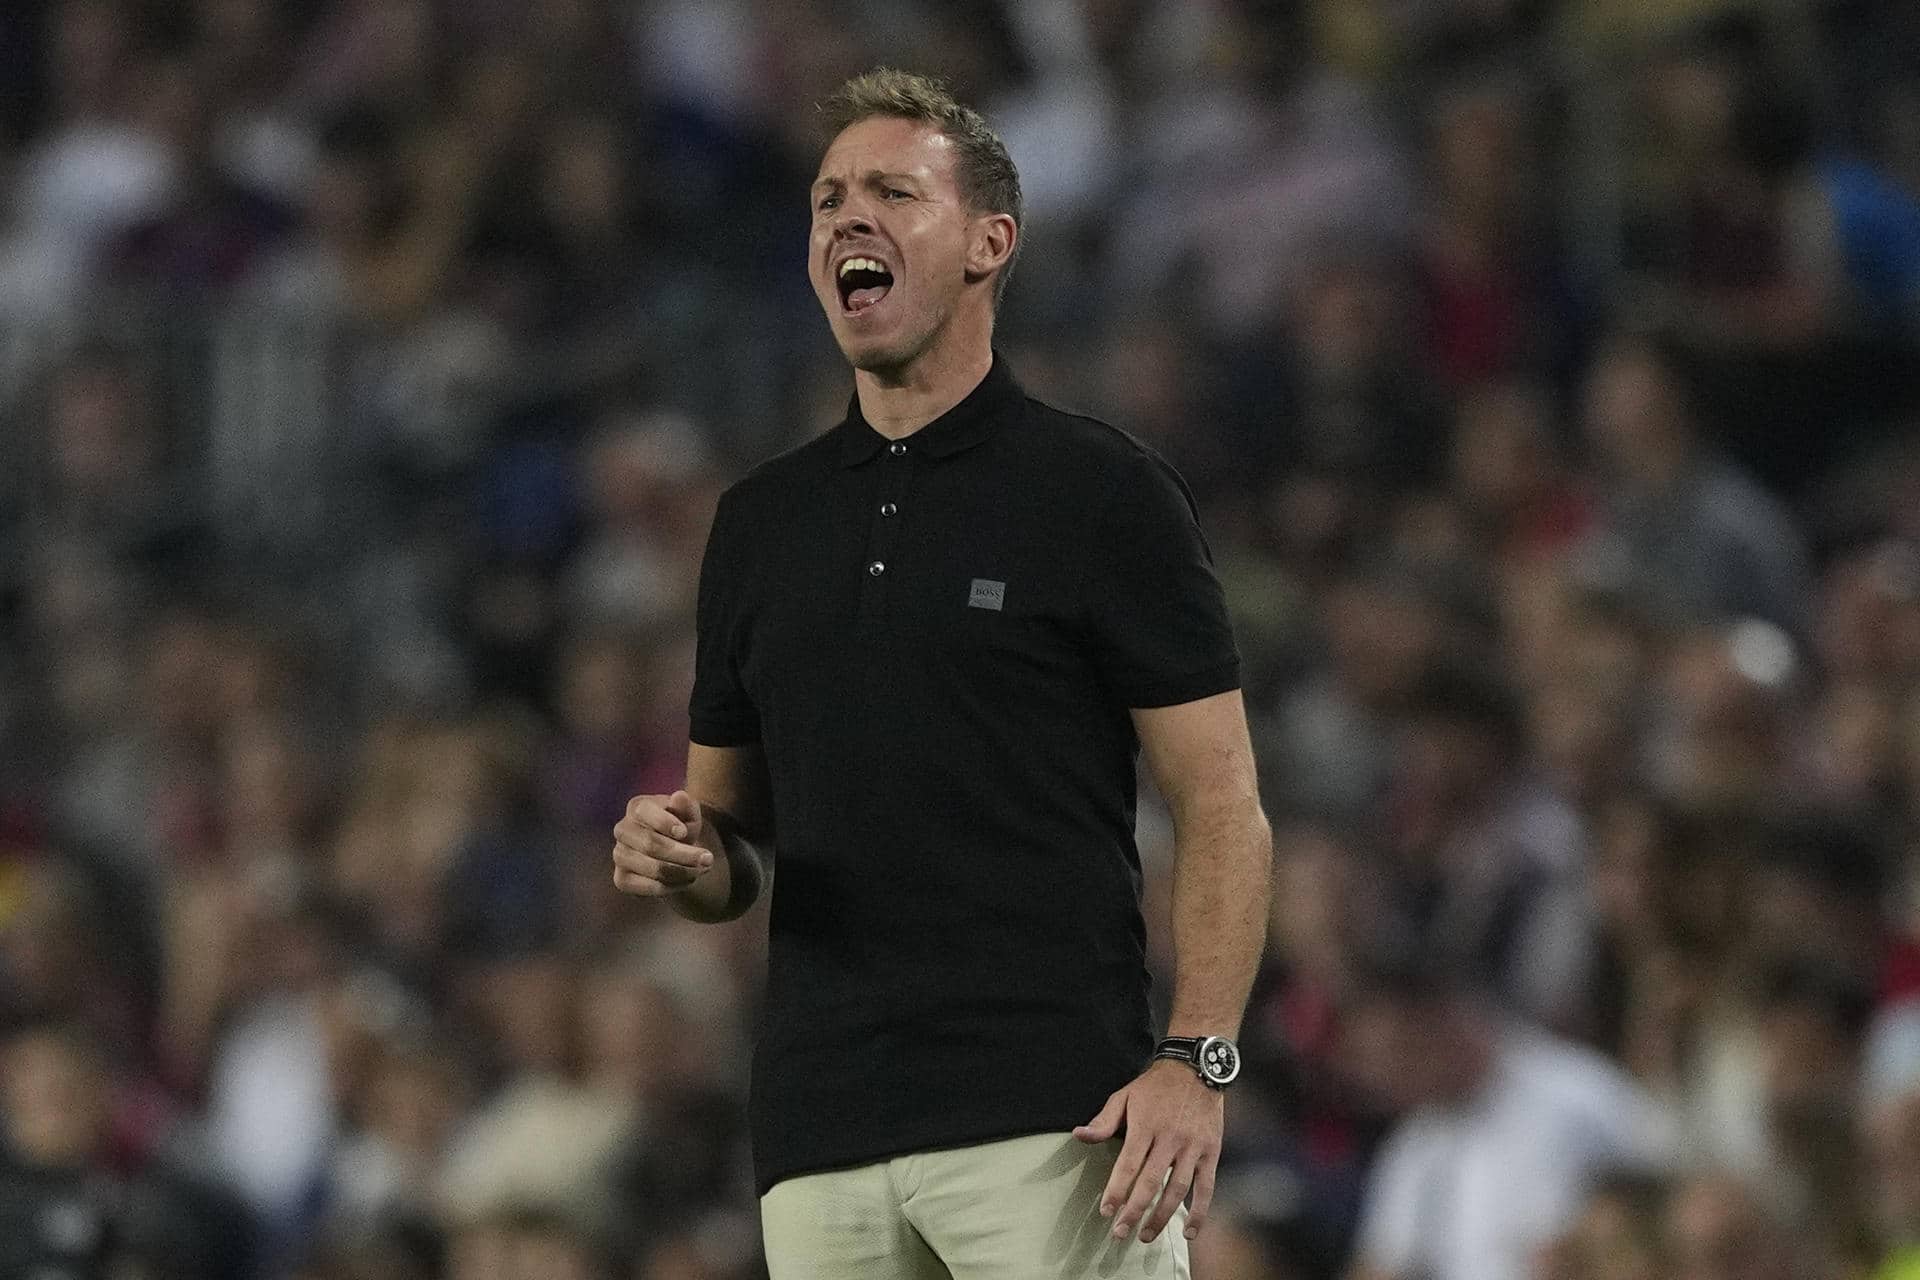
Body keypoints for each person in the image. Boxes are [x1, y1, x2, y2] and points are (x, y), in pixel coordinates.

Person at [610, 68, 1273, 1279]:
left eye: (890, 192)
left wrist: (1197, 1058)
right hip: (820, 1133)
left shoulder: (1101, 492)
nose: (845, 219)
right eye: (825, 200)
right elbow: (734, 845)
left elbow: (1222, 797)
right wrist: (689, 859)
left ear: (988, 242)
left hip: (1055, 1118)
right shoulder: (758, 524)